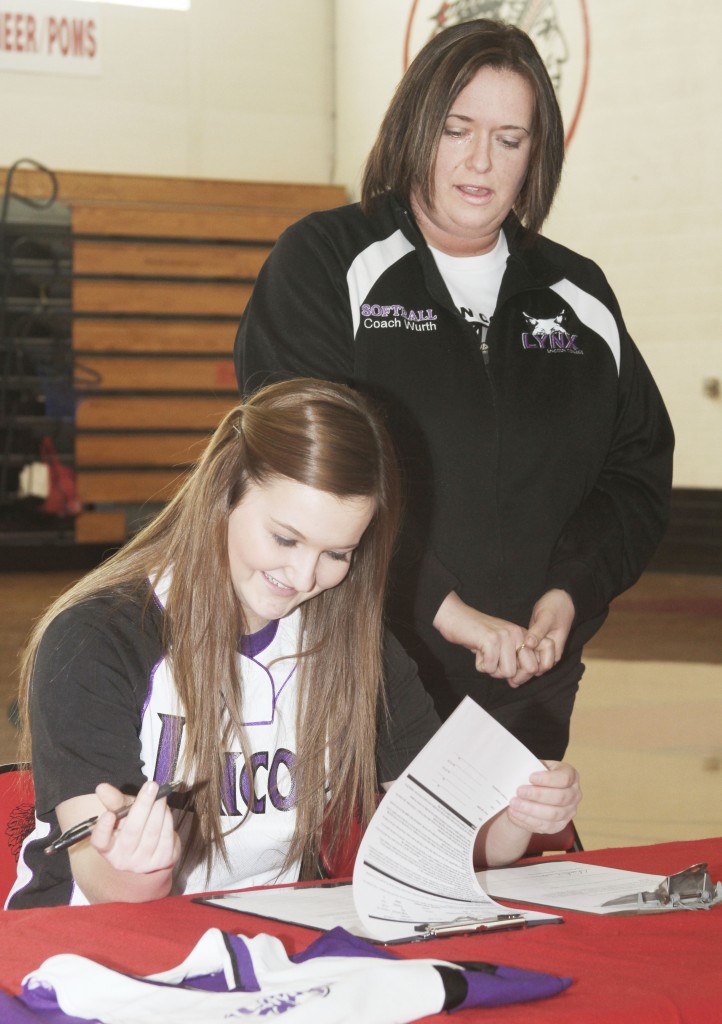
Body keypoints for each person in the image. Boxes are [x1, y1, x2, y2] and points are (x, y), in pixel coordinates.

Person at [235, 19, 674, 760]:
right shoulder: (325, 259)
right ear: (415, 128)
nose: (480, 162)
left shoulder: (579, 293)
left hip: (528, 683)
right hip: (356, 666)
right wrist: (444, 609)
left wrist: (569, 593)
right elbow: (300, 469)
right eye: (456, 129)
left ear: (537, 153)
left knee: (508, 874)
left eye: (510, 139)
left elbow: (634, 475)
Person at [7, 378, 580, 909]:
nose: (305, 577)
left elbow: (445, 836)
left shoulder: (358, 646)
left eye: (338, 554)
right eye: (285, 538)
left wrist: (516, 822)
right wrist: (144, 870)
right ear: (223, 495)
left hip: (269, 939)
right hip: (95, 944)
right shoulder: (95, 638)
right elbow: (100, 880)